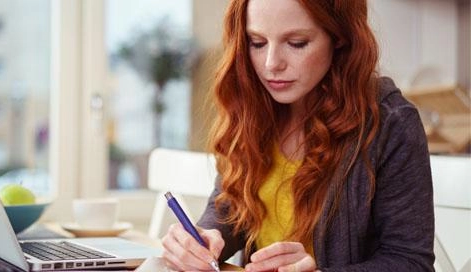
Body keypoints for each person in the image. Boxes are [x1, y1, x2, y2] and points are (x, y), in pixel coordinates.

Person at [161, 0, 435, 271]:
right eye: (257, 42)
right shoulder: (254, 106)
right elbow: (231, 208)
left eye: (297, 43)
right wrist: (207, 238)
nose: (271, 64)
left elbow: (411, 262)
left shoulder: (391, 122)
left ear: (340, 38)